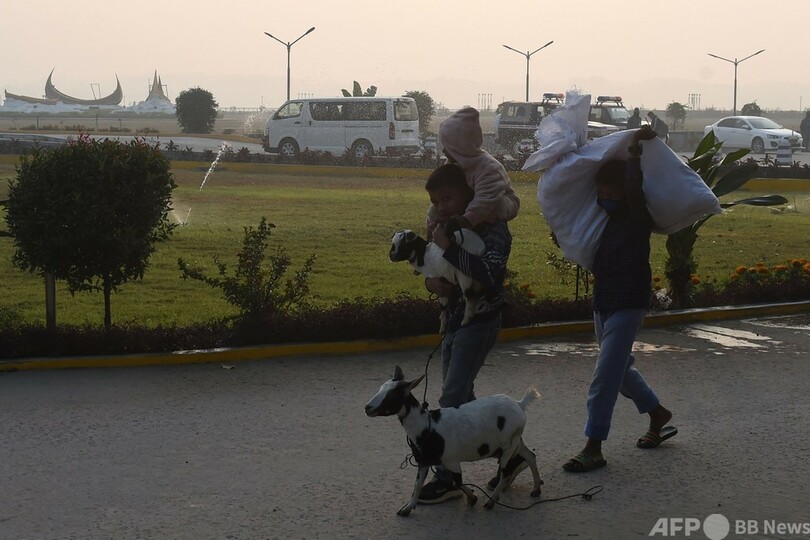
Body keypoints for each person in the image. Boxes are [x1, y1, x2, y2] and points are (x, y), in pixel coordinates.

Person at [562, 125, 677, 473]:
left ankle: (594, 446)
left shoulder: (636, 218)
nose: (607, 196)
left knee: (605, 376)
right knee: (621, 370)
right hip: (603, 303)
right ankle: (658, 414)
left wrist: (633, 154)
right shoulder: (602, 222)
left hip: (629, 303)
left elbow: (633, 190)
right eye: (602, 191)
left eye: (614, 190)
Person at [416, 163, 515, 503]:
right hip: (454, 322)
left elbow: (485, 275)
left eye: (448, 197)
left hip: (480, 322)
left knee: (452, 399)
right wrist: (431, 283)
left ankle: (447, 477)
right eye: (436, 200)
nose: (442, 206)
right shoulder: (442, 228)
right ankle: (510, 454)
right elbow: (434, 267)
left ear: (470, 195)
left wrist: (449, 246)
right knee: (463, 397)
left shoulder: (494, 229)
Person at [427, 107, 520, 239]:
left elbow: (486, 198)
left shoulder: (489, 168)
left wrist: (466, 220)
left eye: (447, 147)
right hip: (469, 202)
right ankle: (430, 245)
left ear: (460, 147)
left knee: (495, 206)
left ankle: (477, 232)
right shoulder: (452, 163)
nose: (443, 151)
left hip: (499, 201)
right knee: (434, 210)